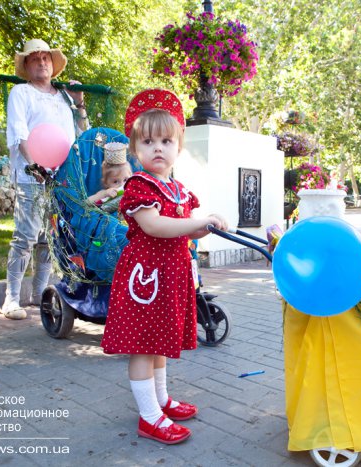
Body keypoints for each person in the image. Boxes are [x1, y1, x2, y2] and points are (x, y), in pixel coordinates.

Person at [100, 89, 228, 445]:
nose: (158, 147)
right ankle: (149, 416)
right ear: (134, 148)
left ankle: (161, 400)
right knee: (143, 345)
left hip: (168, 276)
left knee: (158, 343)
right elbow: (155, 226)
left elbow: (184, 228)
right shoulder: (139, 185)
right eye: (148, 140)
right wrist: (196, 222)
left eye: (166, 140)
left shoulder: (177, 189)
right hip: (145, 279)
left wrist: (207, 225)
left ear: (179, 145)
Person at [1, 39, 90, 320]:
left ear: (53, 65)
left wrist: (79, 103)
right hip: (32, 177)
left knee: (50, 239)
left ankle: (40, 295)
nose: (42, 62)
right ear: (26, 66)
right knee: (25, 237)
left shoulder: (63, 98)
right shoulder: (21, 92)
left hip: (61, 178)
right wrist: (35, 166)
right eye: (35, 59)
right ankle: (11, 299)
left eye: (46, 58)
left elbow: (82, 133)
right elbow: (19, 134)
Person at [87, 143, 133, 209]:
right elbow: (87, 202)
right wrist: (105, 194)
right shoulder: (105, 193)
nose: (122, 185)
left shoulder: (133, 190)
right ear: (106, 183)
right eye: (115, 182)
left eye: (125, 180)